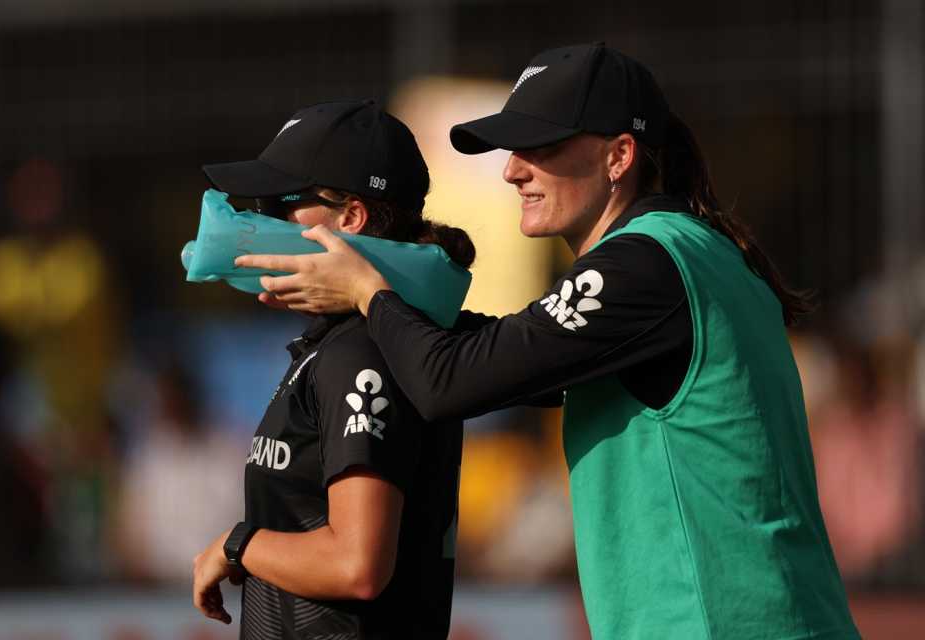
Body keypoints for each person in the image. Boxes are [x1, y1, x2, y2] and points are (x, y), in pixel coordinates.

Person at [235, 45, 862, 639]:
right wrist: (378, 292)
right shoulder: (693, 251)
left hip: (715, 621)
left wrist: (370, 292)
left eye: (539, 145)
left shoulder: (643, 264)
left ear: (619, 157)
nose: (511, 170)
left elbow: (448, 381)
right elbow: (498, 355)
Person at [191, 100, 473, 640]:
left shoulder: (362, 351)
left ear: (351, 218)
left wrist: (239, 545)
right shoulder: (340, 343)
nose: (258, 219)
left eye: (280, 202)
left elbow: (357, 565)